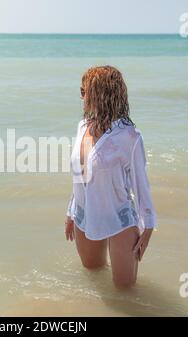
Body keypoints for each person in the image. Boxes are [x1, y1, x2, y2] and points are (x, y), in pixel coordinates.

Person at [64, 65, 158, 288]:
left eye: (84, 90)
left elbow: (141, 185)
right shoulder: (83, 127)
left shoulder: (129, 137)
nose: (81, 96)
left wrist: (149, 229)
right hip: (84, 216)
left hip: (119, 221)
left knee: (124, 290)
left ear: (101, 93)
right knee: (93, 275)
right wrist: (71, 212)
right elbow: (81, 174)